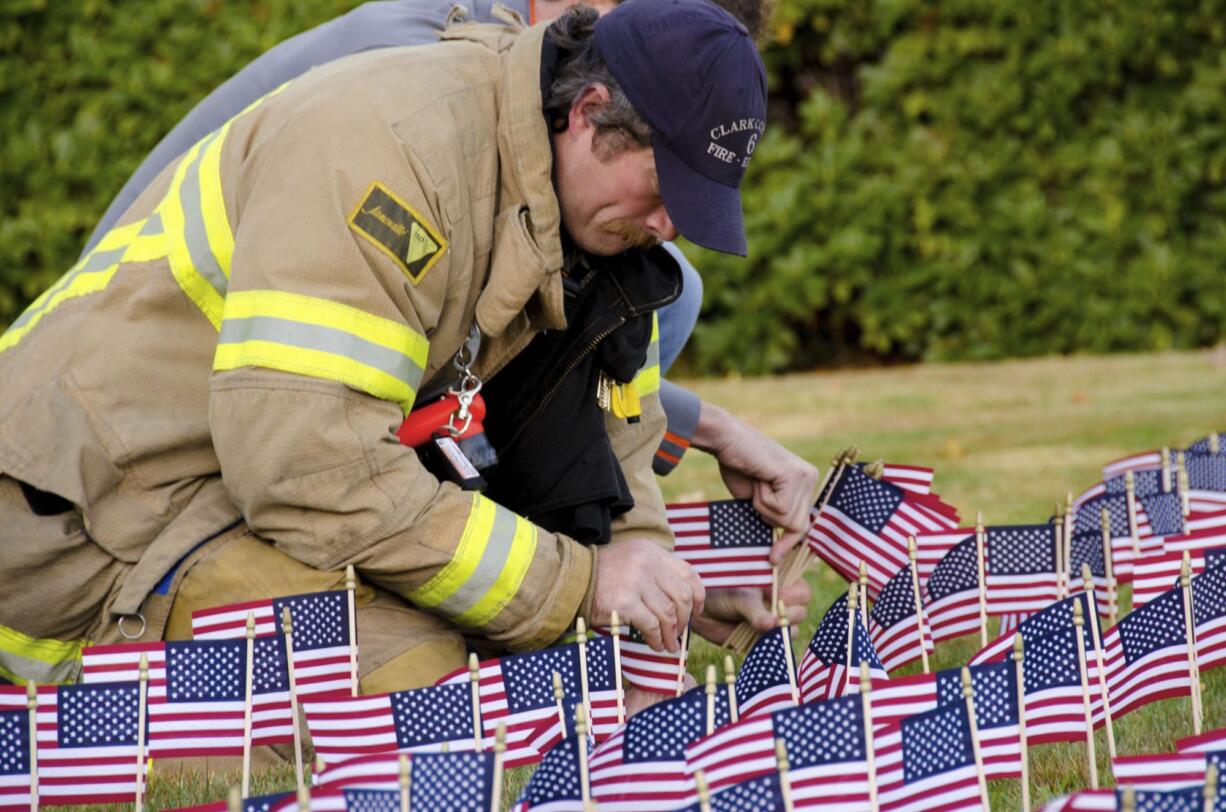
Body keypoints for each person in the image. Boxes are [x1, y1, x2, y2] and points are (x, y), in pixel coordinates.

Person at [0, 1, 808, 696]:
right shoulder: (392, 155)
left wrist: (657, 583)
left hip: (218, 491)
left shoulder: (549, 177)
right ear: (590, 111)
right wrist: (585, 585)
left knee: (508, 664)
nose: (669, 227)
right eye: (664, 191)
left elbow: (610, 416)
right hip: (96, 516)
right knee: (432, 691)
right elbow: (313, 470)